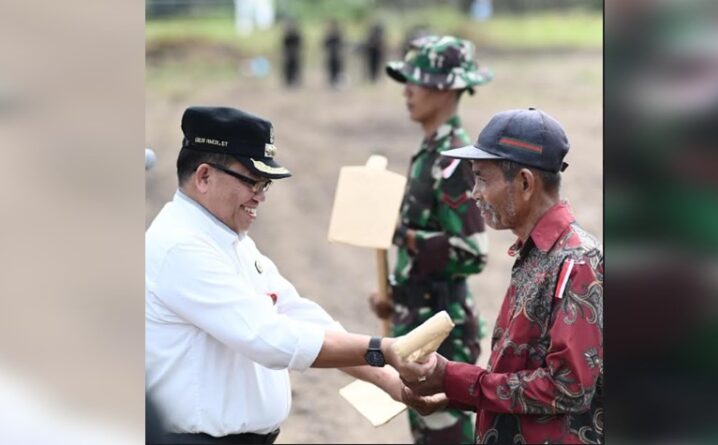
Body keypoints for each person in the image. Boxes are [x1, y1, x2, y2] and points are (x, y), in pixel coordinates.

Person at [145, 106, 431, 444]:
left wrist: (387, 378)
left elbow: (298, 313)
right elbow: (271, 339)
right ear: (204, 176)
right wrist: (382, 349)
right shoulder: (181, 247)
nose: (261, 196)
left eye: (266, 184)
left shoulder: (227, 240)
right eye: (252, 181)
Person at [399, 108, 604, 444]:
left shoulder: (576, 262)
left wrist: (454, 378)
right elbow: (523, 374)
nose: (474, 193)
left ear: (524, 182)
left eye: (482, 177)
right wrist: (453, 394)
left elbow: (567, 388)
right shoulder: (537, 253)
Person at [368, 35, 493, 444]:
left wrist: (400, 236)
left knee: (444, 435)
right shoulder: (432, 152)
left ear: (448, 89)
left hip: (443, 333)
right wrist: (396, 295)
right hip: (420, 321)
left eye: (416, 81)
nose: (406, 91)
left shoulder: (455, 159)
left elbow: (471, 253)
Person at [323, 20, 345, 88]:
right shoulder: (328, 35)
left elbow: (341, 44)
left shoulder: (338, 35)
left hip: (337, 56)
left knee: (338, 70)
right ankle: (332, 83)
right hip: (331, 55)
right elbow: (324, 44)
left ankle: (337, 83)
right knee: (331, 70)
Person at [281, 19, 303, 87]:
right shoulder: (287, 35)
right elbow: (284, 45)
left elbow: (299, 44)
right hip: (289, 54)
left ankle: (294, 81)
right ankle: (289, 81)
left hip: (294, 54)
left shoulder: (296, 35)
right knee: (288, 69)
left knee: (295, 68)